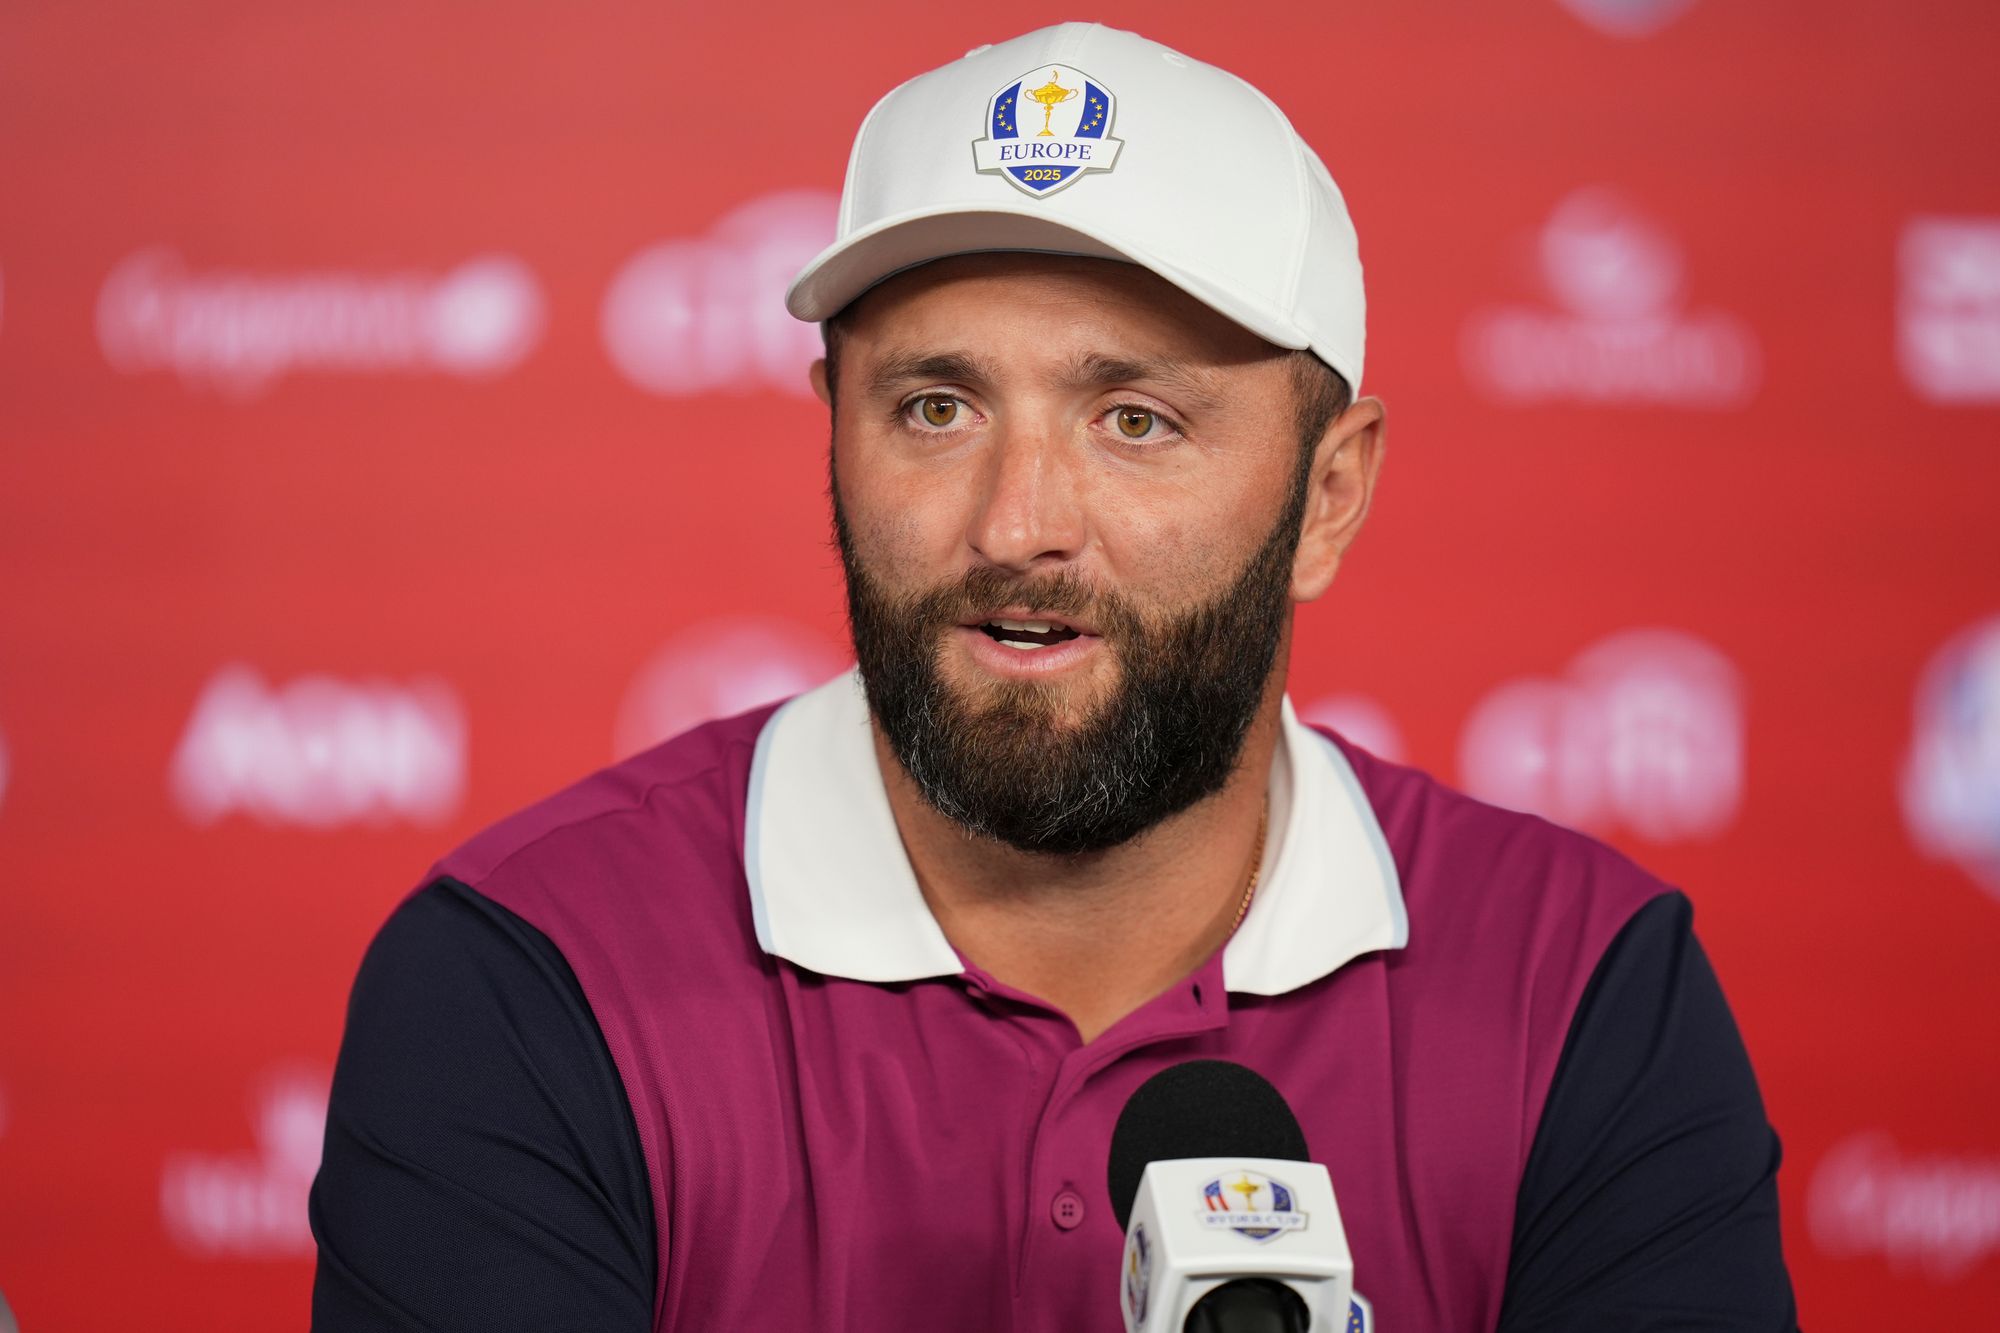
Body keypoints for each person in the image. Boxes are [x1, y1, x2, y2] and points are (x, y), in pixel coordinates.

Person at [310, 22, 1798, 1331]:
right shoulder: (526, 977)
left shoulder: (1585, 993)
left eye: (1137, 418)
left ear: (1328, 495)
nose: (1019, 523)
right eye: (937, 404)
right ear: (834, 431)